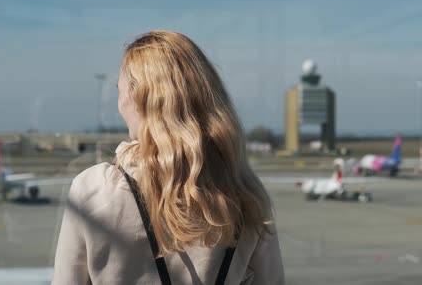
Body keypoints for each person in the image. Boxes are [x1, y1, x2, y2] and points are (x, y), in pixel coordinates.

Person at [52, 31, 285, 285]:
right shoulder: (247, 197)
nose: (119, 101)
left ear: (140, 97)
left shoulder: (93, 189)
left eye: (119, 88)